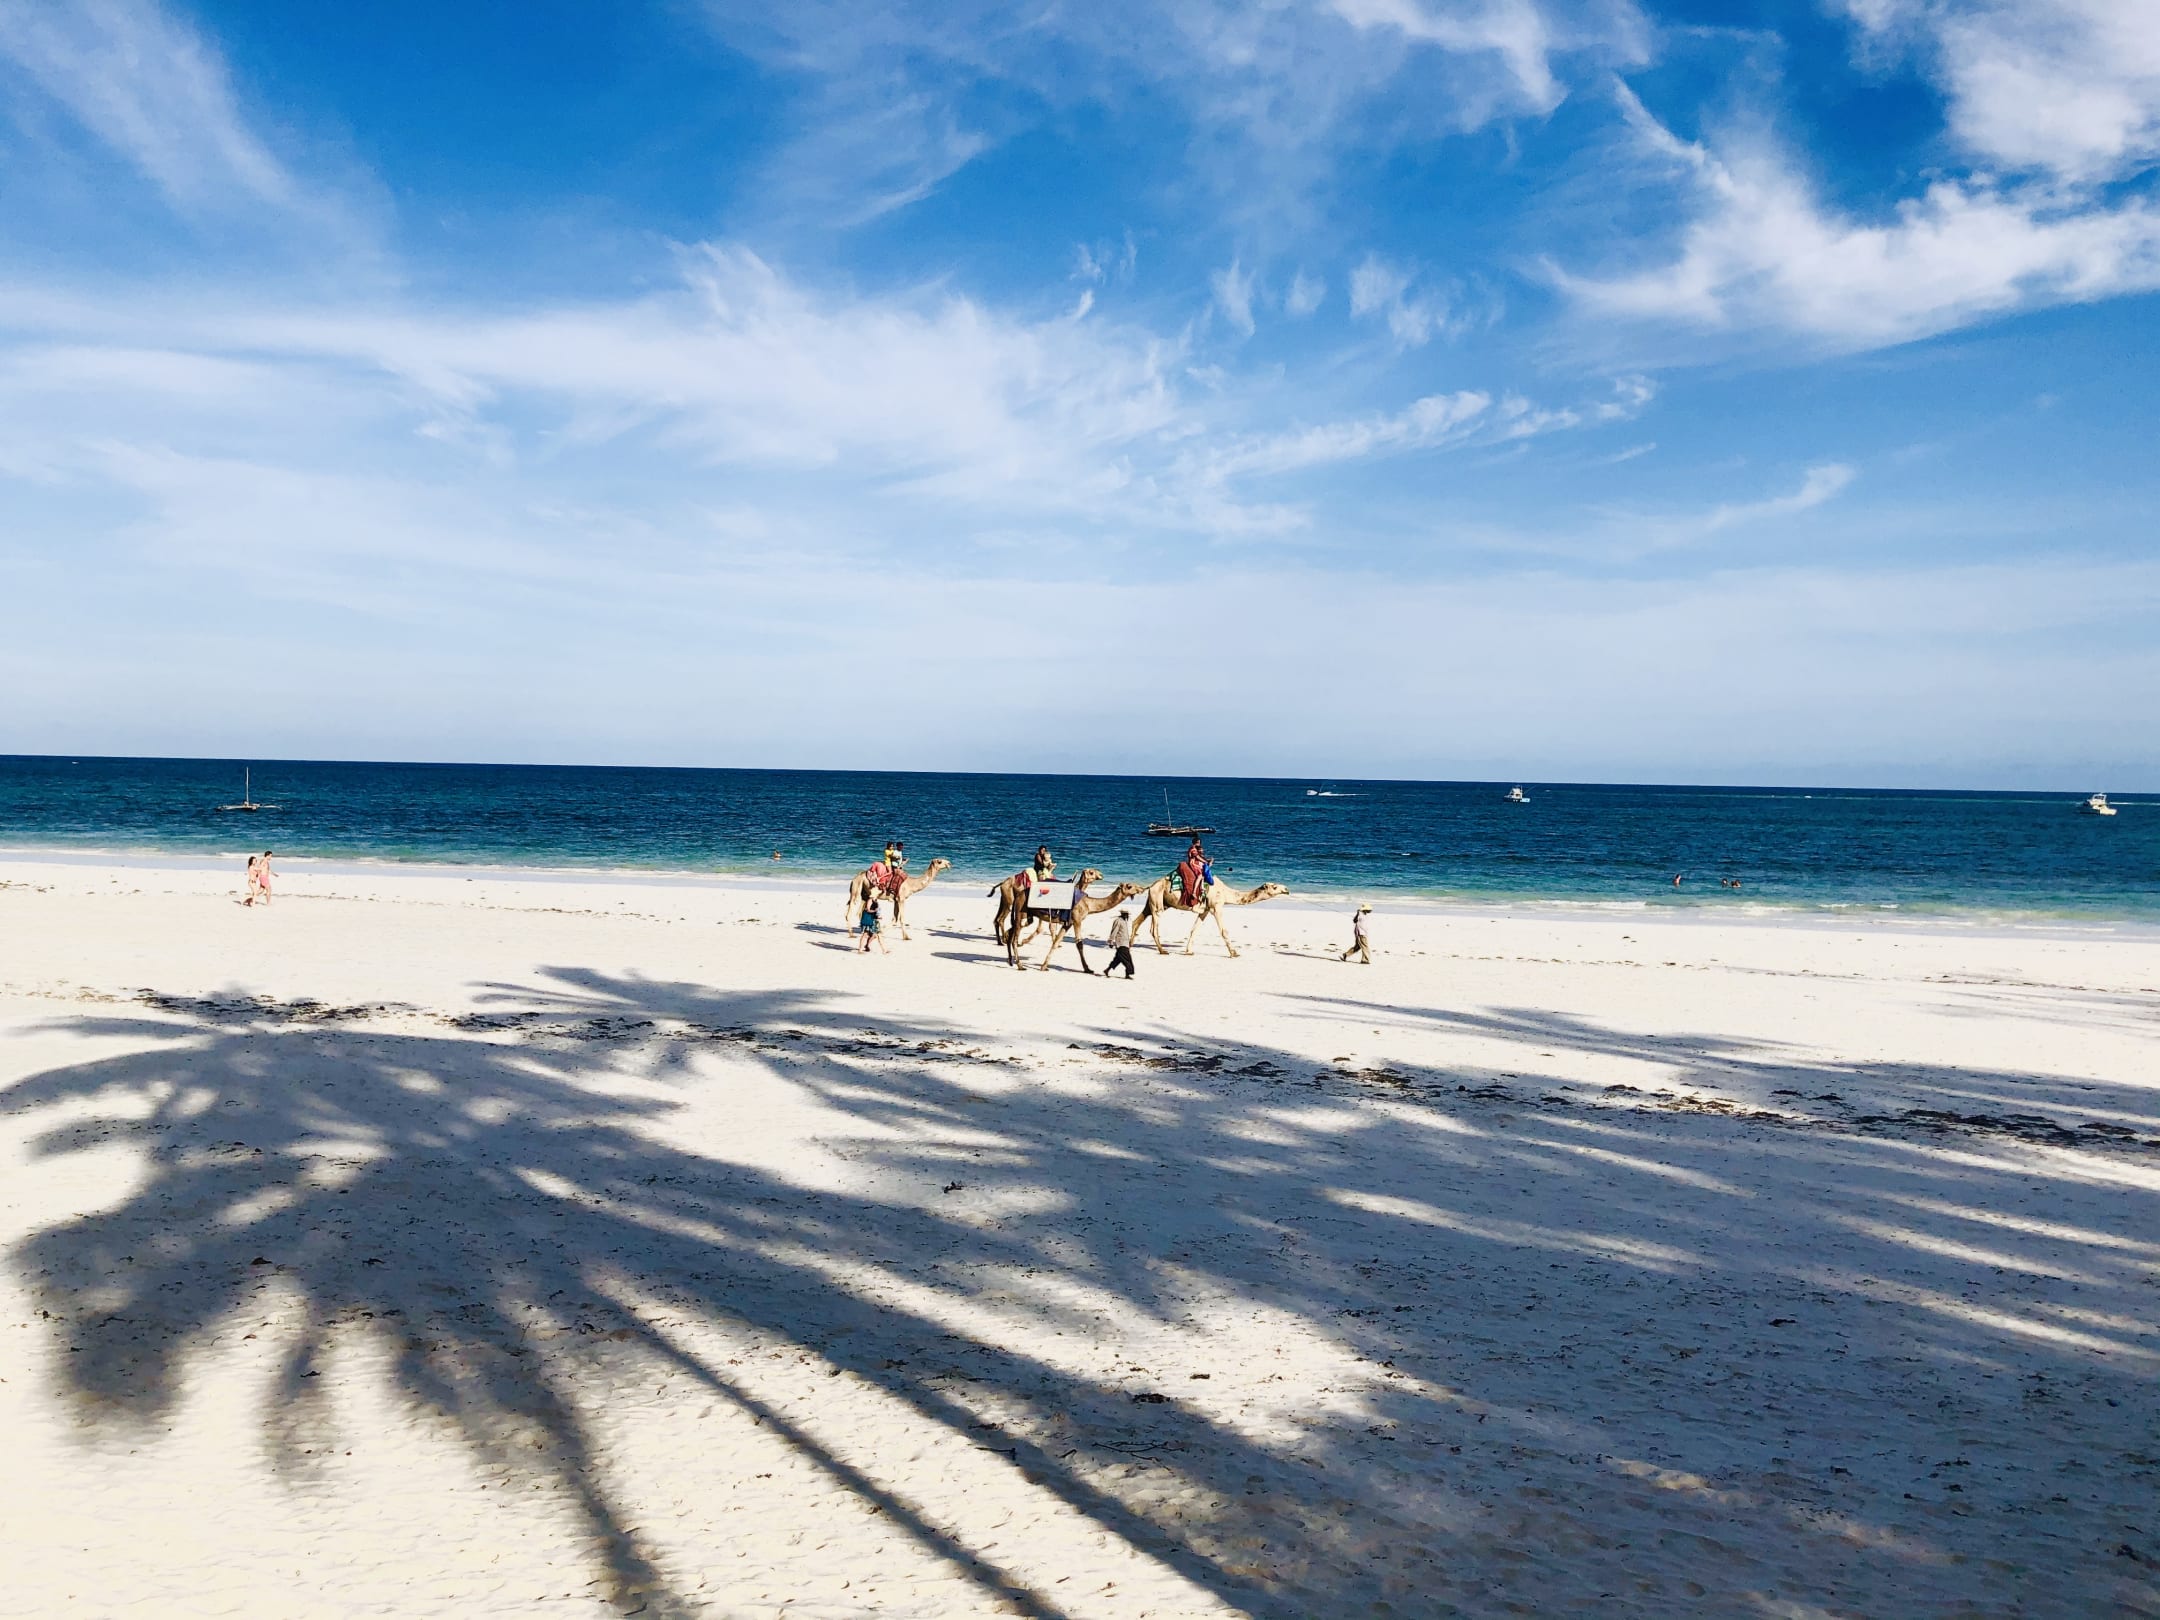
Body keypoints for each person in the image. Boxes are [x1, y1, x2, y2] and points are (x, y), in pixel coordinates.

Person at [1105, 908, 1136, 980]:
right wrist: (1111, 941)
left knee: (1118, 959)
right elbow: (1114, 931)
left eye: (1127, 914)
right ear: (1122, 914)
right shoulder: (1118, 921)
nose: (1127, 916)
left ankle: (1107, 970)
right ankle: (1127, 974)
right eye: (1126, 914)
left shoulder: (1124, 921)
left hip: (1125, 944)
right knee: (1127, 959)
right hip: (1121, 943)